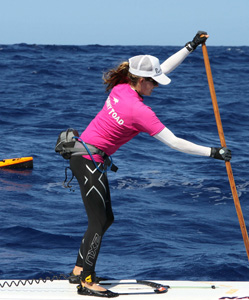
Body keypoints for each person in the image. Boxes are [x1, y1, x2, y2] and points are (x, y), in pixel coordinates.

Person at [65, 31, 231, 298]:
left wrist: (189, 47)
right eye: (153, 83)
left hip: (82, 156)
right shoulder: (139, 111)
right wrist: (213, 152)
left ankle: (77, 270)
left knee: (105, 219)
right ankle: (86, 280)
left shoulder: (122, 86)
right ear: (141, 80)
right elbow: (175, 142)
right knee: (99, 221)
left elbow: (161, 68)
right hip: (88, 160)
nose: (156, 86)